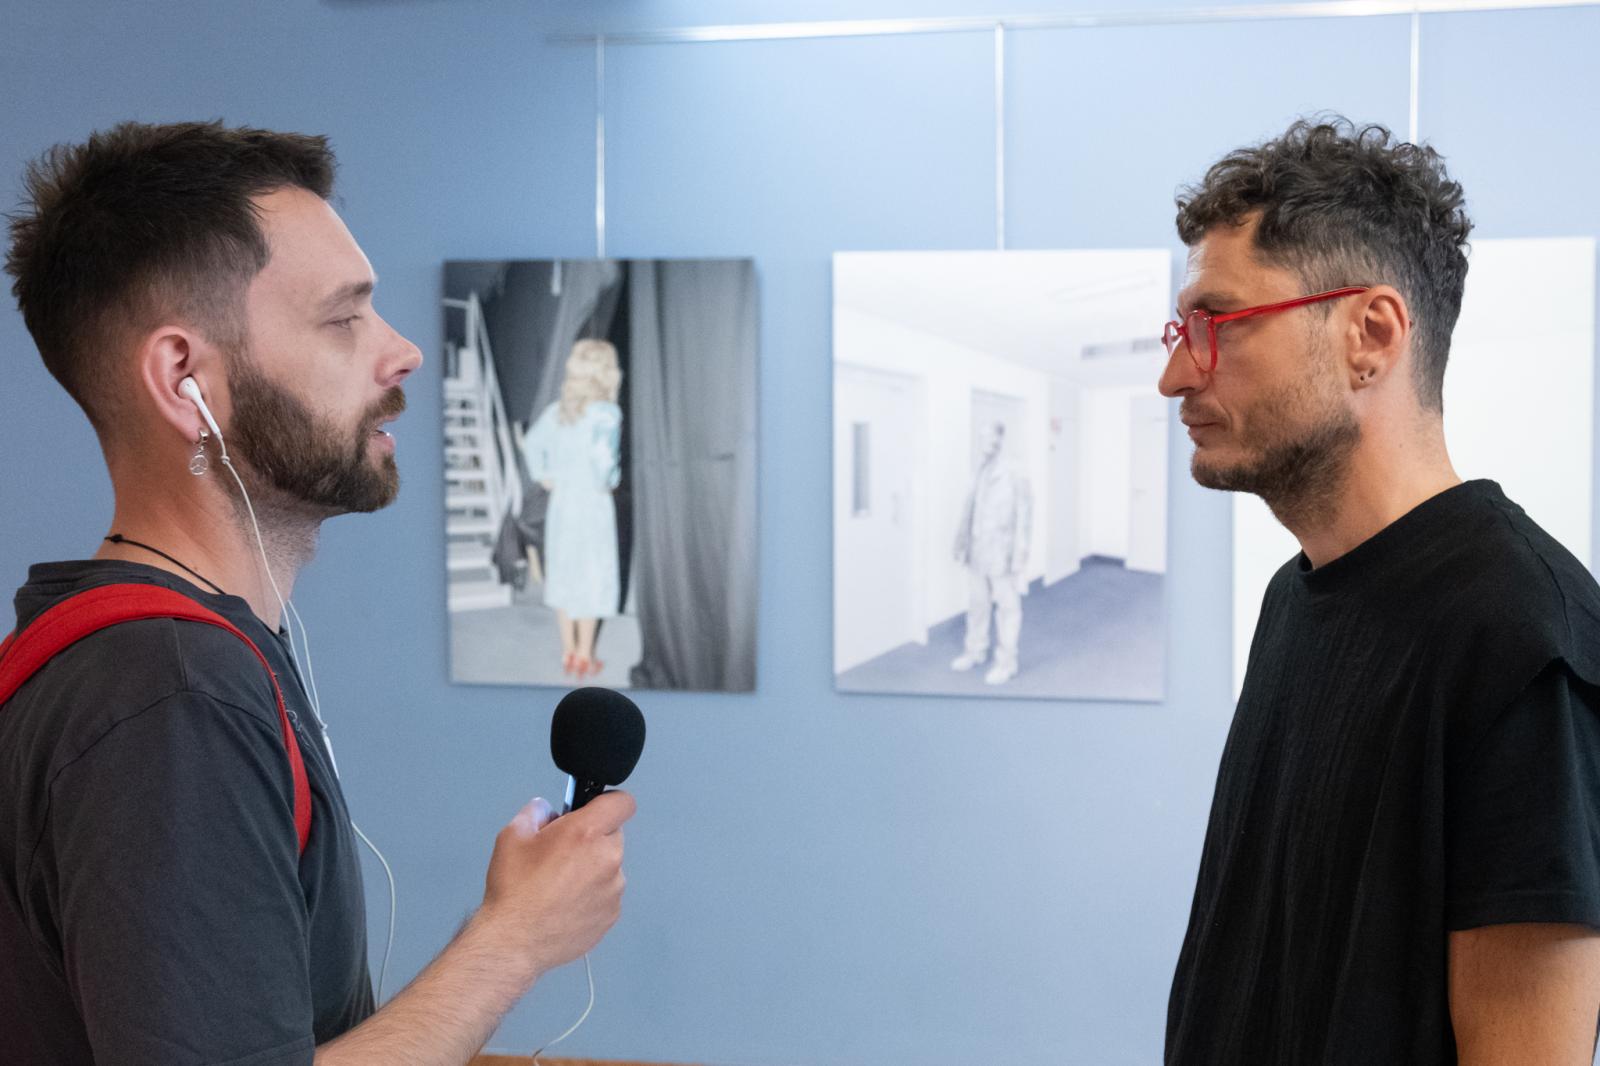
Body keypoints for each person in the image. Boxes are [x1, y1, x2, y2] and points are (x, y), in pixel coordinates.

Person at [0, 120, 634, 1065]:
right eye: (344, 319)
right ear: (184, 378)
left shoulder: (139, 659)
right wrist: (514, 941)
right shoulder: (172, 695)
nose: (403, 352)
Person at [1159, 117, 1600, 1063]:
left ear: (1371, 335)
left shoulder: (1523, 636)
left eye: (1217, 325)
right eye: (1182, 331)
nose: (1176, 374)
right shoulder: (1294, 598)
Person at [521, 338, 624, 679]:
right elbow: (603, 466)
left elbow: (531, 443)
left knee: (565, 574)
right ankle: (584, 655)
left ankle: (568, 652)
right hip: (592, 507)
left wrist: (544, 475)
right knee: (592, 578)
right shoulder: (607, 414)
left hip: (563, 506)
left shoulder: (558, 411)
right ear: (607, 373)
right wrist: (612, 479)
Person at [950, 420, 1032, 685]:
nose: (986, 443)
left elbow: (1025, 518)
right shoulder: (980, 469)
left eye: (990, 438)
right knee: (977, 604)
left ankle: (1007, 663)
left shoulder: (1015, 472)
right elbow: (969, 508)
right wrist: (960, 542)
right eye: (982, 438)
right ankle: (975, 650)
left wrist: (1020, 557)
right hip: (977, 550)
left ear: (1000, 439)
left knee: (1007, 609)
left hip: (1002, 553)